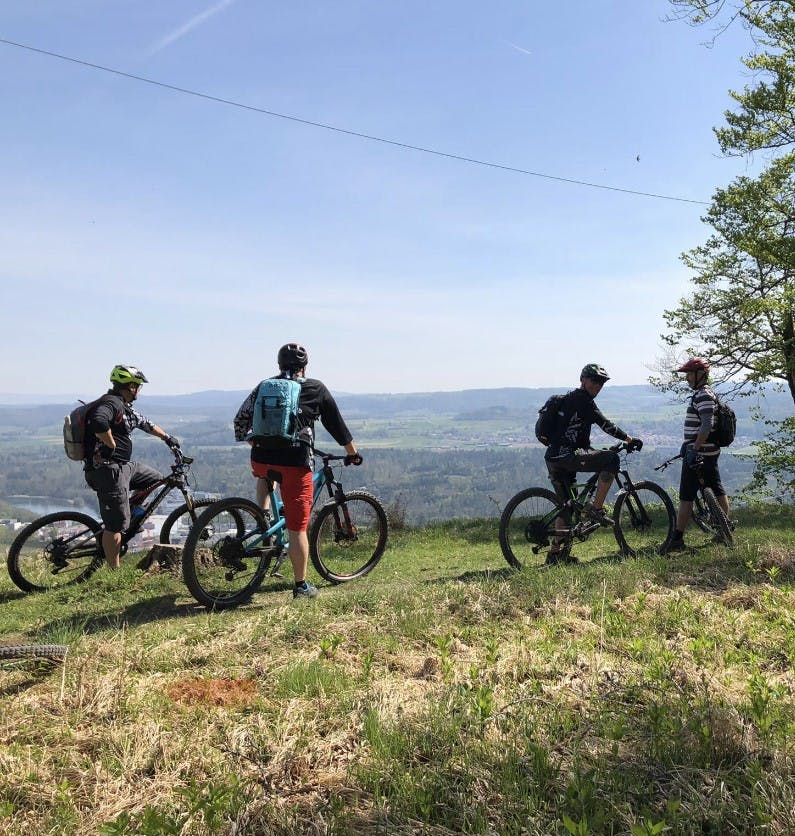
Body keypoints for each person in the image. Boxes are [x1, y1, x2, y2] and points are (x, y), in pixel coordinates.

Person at [233, 343, 361, 599]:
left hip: (261, 458)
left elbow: (240, 421)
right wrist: (352, 453)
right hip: (296, 462)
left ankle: (263, 518)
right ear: (305, 367)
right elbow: (337, 425)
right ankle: (301, 586)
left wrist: (255, 442)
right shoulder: (315, 388)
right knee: (297, 527)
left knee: (266, 475)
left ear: (279, 365)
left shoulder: (265, 386)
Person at [84, 365, 181, 569]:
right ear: (130, 386)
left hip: (123, 467)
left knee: (157, 480)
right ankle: (114, 571)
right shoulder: (111, 403)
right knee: (115, 526)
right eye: (137, 386)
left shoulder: (123, 405)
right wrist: (111, 445)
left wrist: (167, 438)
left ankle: (128, 512)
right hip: (108, 471)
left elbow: (144, 422)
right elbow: (98, 421)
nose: (139, 390)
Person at [544, 363, 640, 564]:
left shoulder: (568, 400)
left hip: (553, 457)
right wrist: (629, 439)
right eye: (594, 381)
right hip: (567, 456)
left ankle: (555, 555)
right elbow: (606, 424)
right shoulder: (583, 401)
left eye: (601, 383)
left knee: (567, 507)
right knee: (611, 459)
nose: (597, 386)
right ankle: (596, 508)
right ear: (583, 380)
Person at [664, 357, 730, 552]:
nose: (686, 378)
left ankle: (677, 539)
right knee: (717, 490)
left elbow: (707, 425)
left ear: (700, 375)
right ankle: (723, 530)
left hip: (700, 453)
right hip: (709, 452)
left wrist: (693, 448)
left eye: (689, 374)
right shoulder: (709, 393)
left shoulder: (703, 395)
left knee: (686, 496)